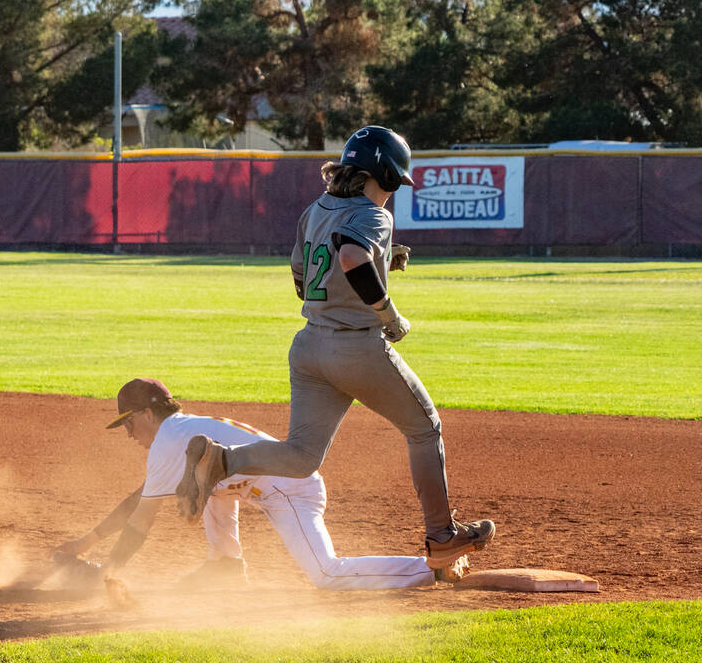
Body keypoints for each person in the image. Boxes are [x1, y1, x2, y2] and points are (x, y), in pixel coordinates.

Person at [176, 125, 495, 572]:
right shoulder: (373, 214)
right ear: (381, 173)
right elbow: (349, 257)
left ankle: (221, 460)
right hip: (356, 349)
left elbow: (304, 279)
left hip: (309, 348)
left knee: (302, 455)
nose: (393, 193)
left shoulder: (316, 209)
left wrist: (383, 259)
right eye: (394, 182)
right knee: (425, 430)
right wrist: (388, 314)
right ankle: (442, 537)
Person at [55, 378, 468, 590]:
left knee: (326, 574)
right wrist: (86, 543)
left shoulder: (169, 440)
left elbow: (141, 520)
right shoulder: (182, 433)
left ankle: (431, 569)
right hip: (268, 480)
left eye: (127, 422)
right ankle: (226, 566)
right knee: (205, 478)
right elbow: (142, 497)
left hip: (292, 488)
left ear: (146, 414)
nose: (127, 433)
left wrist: (105, 572)